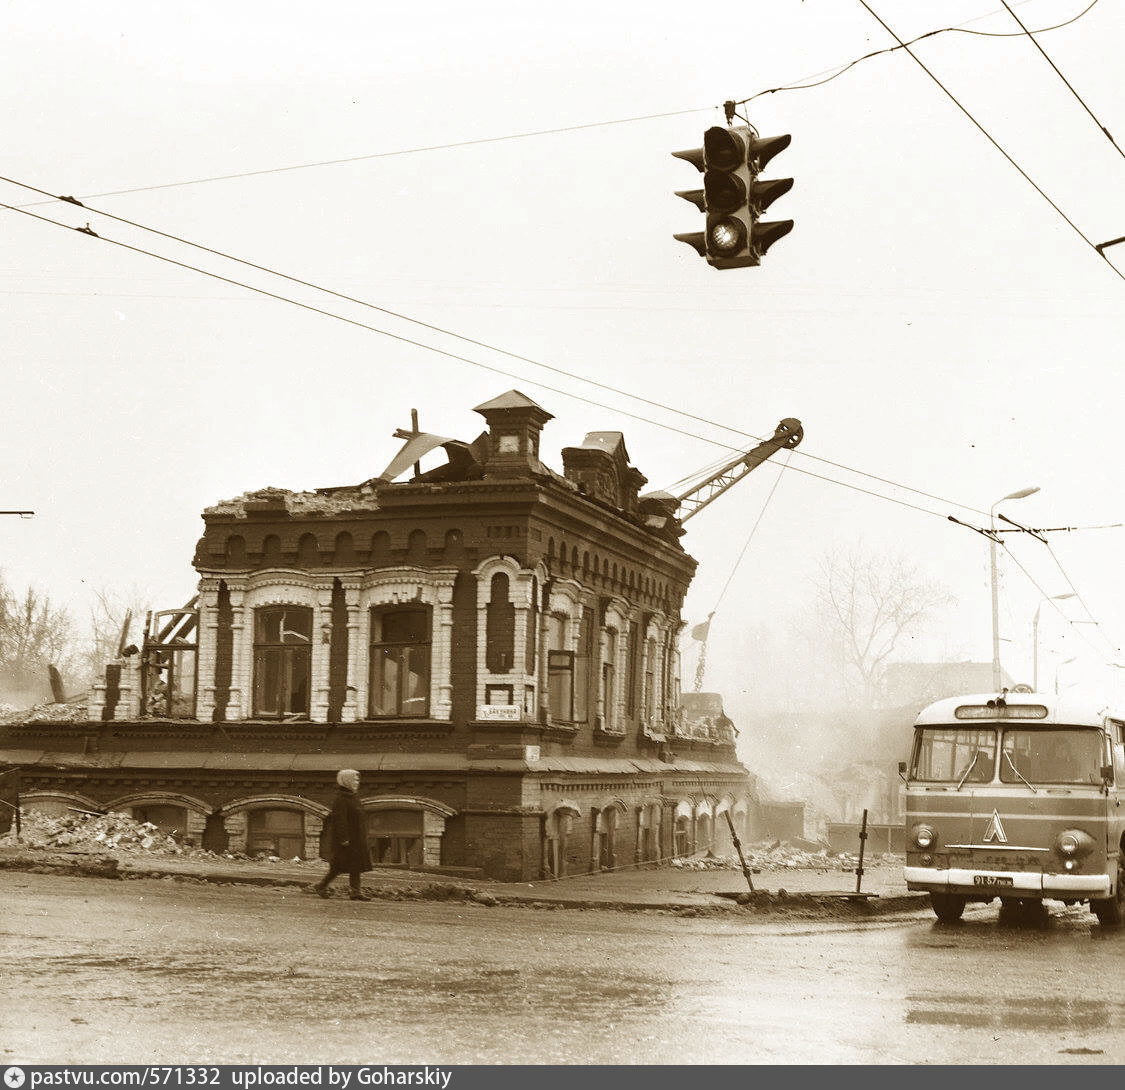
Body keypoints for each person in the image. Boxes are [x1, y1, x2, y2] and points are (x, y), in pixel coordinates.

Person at [310, 768, 372, 901]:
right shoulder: (342, 799)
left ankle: (355, 892)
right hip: (347, 840)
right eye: (354, 780)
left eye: (357, 779)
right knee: (338, 867)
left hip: (356, 838)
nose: (357, 782)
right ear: (347, 781)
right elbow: (339, 820)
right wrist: (343, 838)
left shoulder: (352, 797)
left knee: (355, 866)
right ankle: (321, 886)